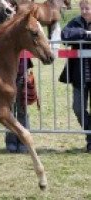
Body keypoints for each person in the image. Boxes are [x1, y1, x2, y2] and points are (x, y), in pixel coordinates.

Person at [0, 19, 33, 154]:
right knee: (7, 111)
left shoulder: (21, 26)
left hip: (20, 71)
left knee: (21, 108)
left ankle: (24, 142)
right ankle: (11, 142)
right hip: (2, 75)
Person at [59, 0, 91, 153]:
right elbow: (65, 35)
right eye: (83, 8)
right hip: (80, 76)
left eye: (87, 8)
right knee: (78, 109)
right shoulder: (75, 22)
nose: (84, 11)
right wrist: (85, 34)